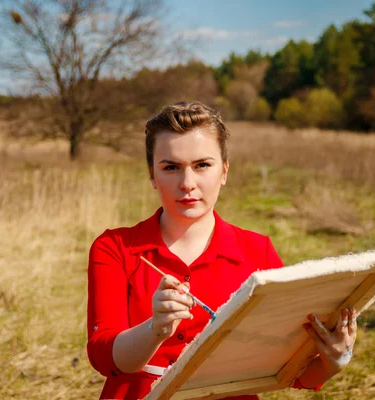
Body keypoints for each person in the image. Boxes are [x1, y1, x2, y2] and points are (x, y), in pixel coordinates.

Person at [87, 101, 357, 399]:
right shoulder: (114, 248)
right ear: (152, 175)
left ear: (224, 171)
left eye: (202, 165)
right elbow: (105, 358)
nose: (187, 183)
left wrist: (334, 360)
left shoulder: (258, 252)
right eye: (171, 167)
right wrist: (155, 330)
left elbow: (290, 370)